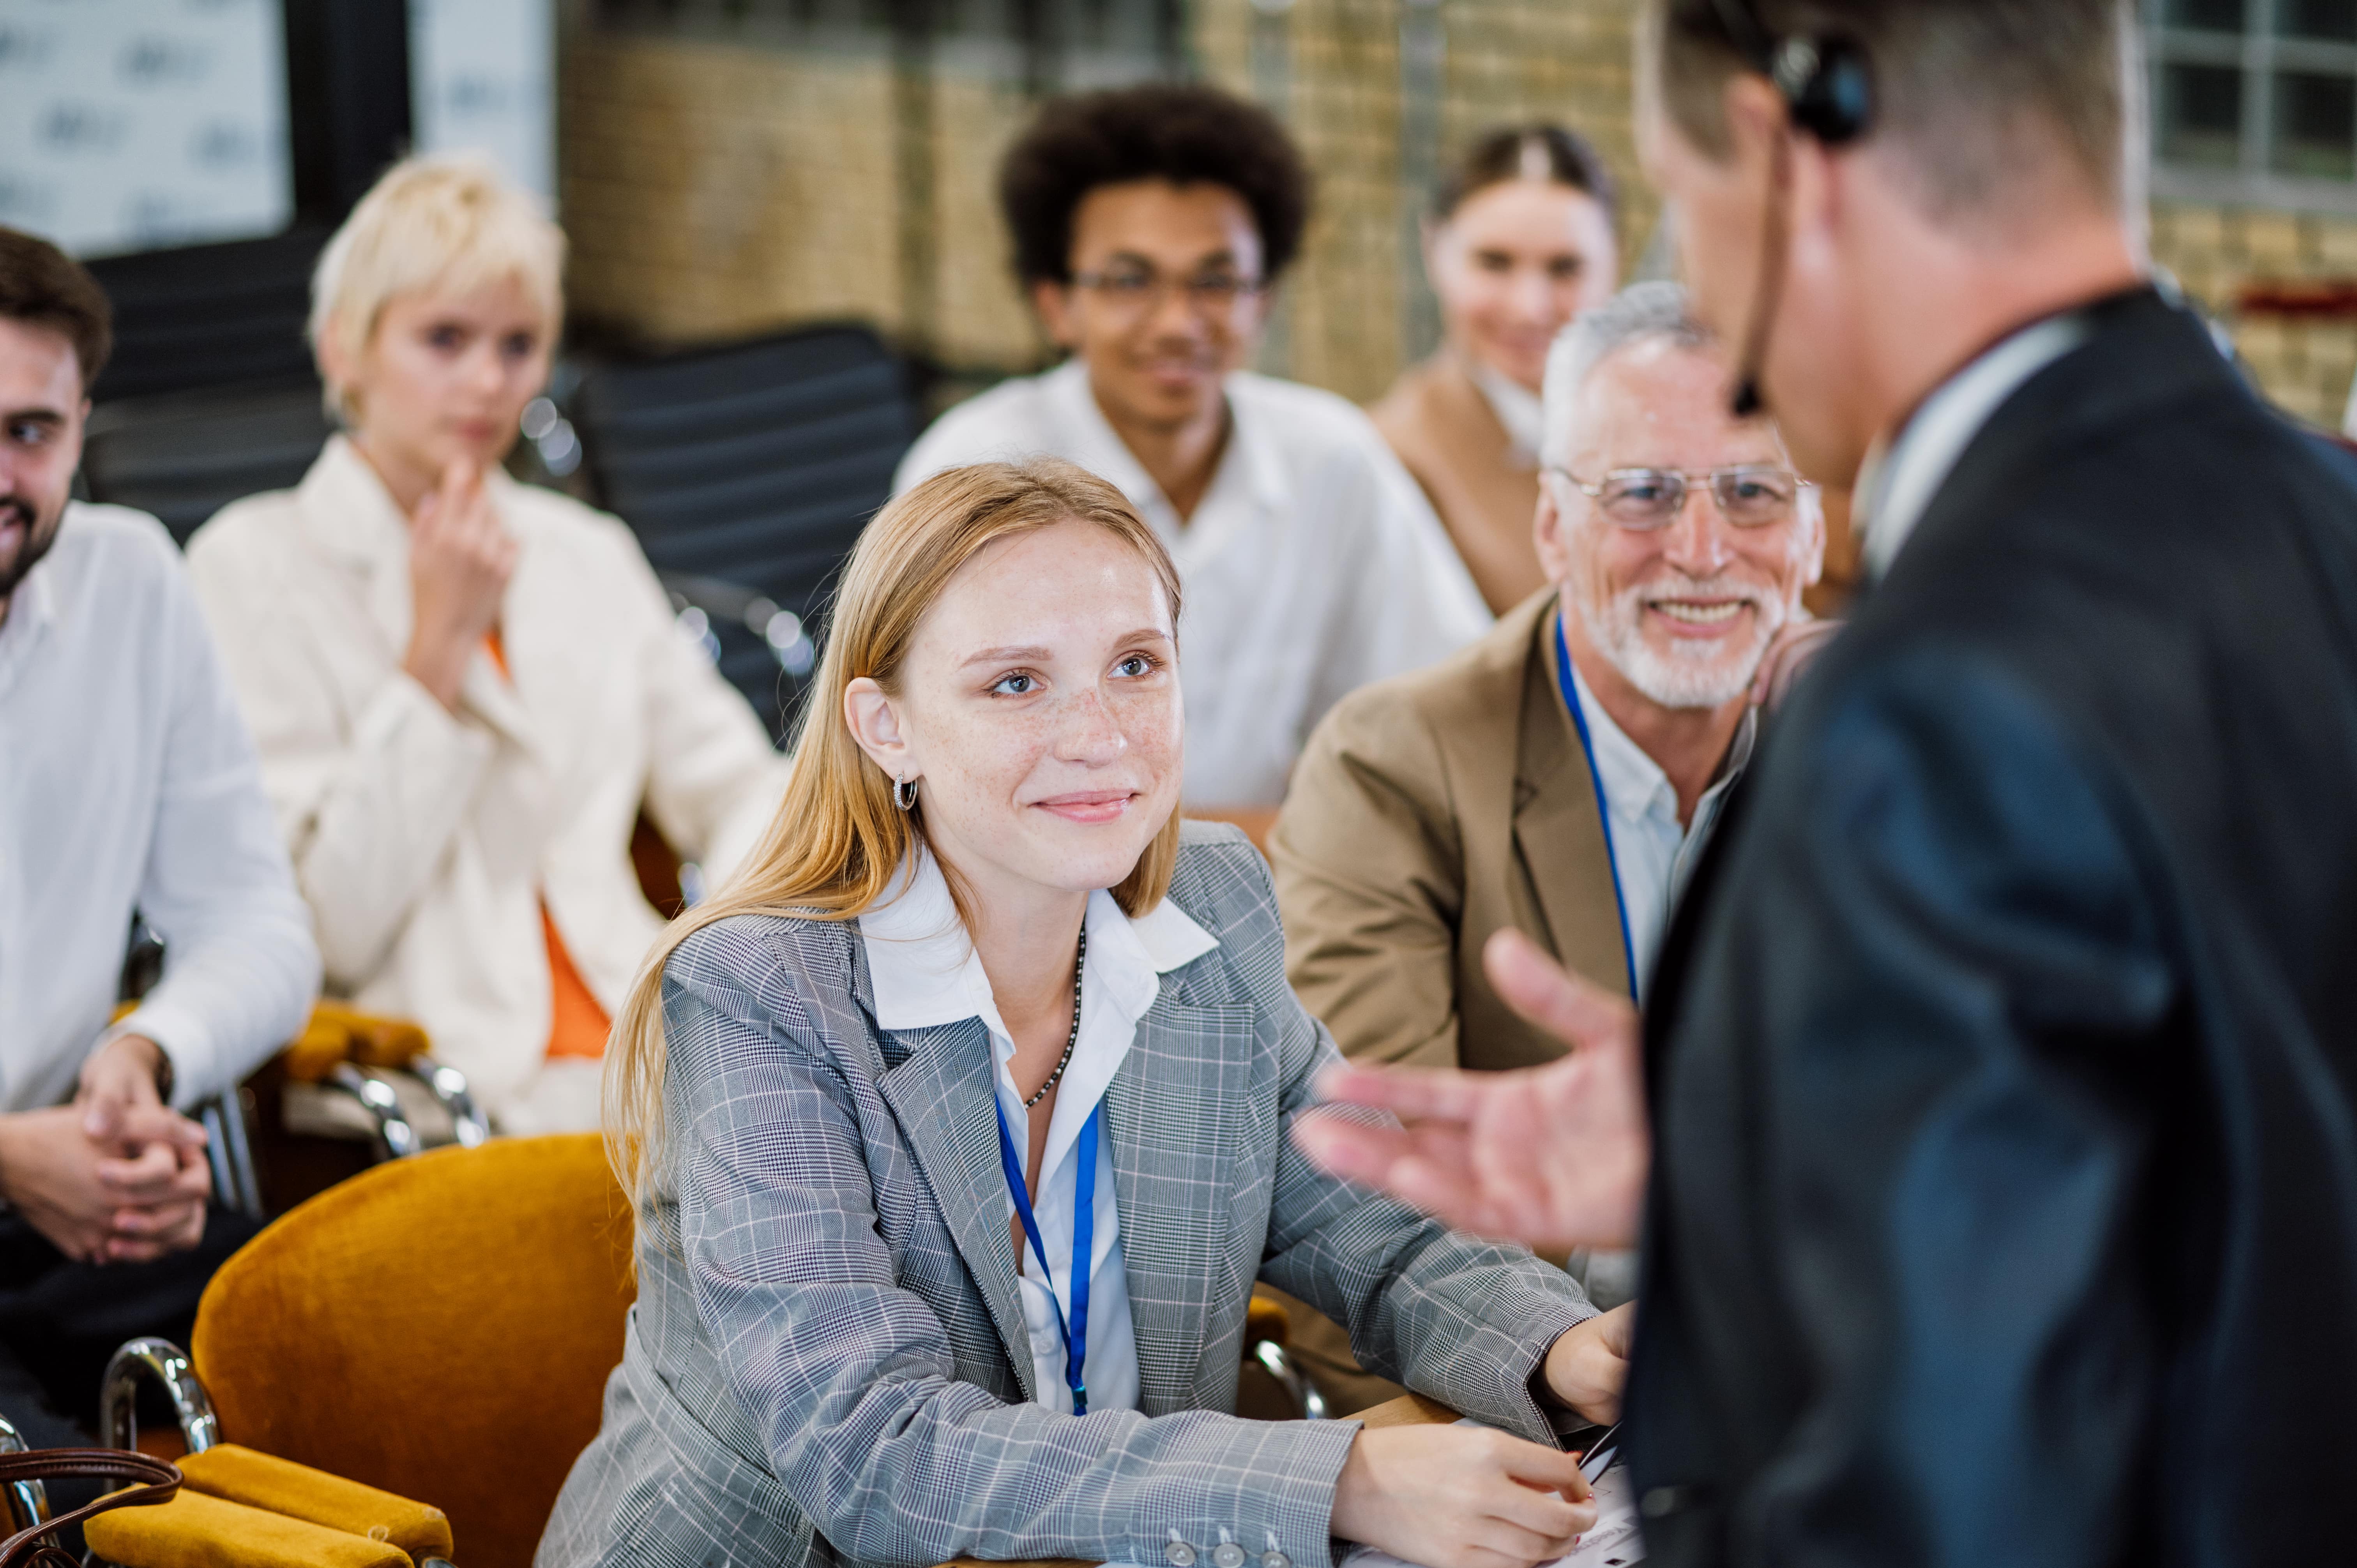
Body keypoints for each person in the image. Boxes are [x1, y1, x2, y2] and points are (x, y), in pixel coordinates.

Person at [1302, 0, 2357, 1562]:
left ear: (1784, 154)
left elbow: (1942, 1486)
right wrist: (1749, 1138)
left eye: (1679, 195)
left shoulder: (1933, 694)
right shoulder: (2323, 520)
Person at [539, 458, 1632, 1568]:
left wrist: (1562, 1350)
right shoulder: (762, 995)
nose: (1103, 734)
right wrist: (1340, 1477)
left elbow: (1376, 1232)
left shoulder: (1212, 904)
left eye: (1136, 666)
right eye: (1016, 683)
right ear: (885, 728)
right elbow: (878, 1458)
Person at [1263, 282, 1820, 1408]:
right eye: (1645, 495)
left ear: (1814, 530)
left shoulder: (1888, 742)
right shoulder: (1397, 768)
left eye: (1754, 492)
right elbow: (1371, 1208)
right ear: (1553, 528)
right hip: (1564, 1412)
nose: (1704, 550)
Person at [187, 156, 790, 1135]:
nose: (485, 380)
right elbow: (322, 926)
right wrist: (437, 652)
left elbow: (739, 785)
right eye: (444, 338)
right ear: (346, 349)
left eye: (518, 345)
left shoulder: (583, 551)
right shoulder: (251, 565)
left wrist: (735, 944)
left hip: (651, 1040)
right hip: (439, 1078)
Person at [894, 84, 1490, 820]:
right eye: (1129, 280)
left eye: (1215, 280)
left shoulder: (1330, 457)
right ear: (1056, 303)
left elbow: (1451, 703)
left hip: (1280, 888)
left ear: (1262, 299)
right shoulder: (973, 470)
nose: (1178, 322)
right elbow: (928, 770)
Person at [0, 228, 318, 1476]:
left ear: (84, 426)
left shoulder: (130, 580)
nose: (3, 468)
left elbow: (257, 923)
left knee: (344, 1360)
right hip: (30, 1173)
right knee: (79, 1501)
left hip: (71, 1198)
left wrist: (145, 1056)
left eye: (32, 430)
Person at [1371, 125, 1622, 614]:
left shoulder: (1662, 427)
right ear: (1433, 251)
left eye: (1565, 268)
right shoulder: (1387, 458)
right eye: (1494, 263)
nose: (1530, 308)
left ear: (1614, 260)